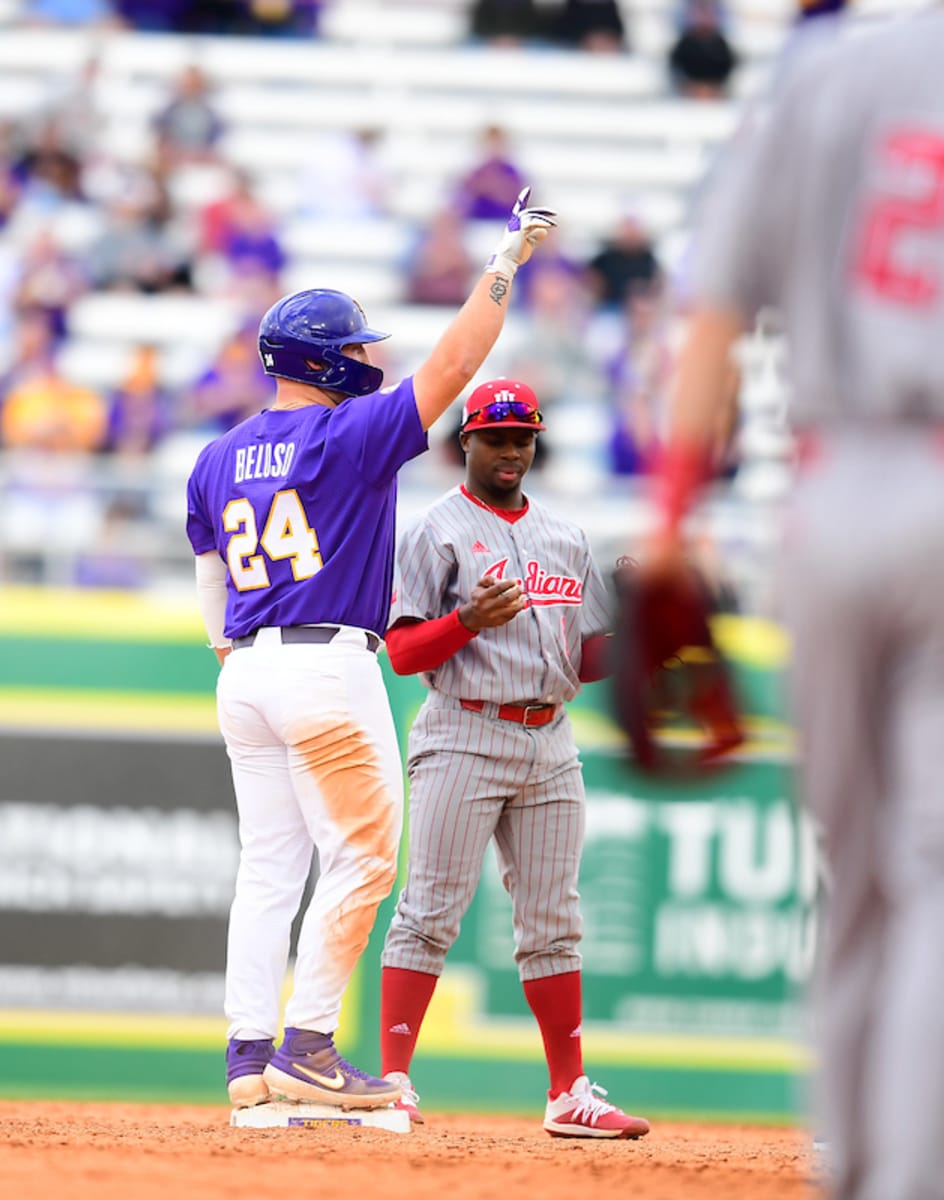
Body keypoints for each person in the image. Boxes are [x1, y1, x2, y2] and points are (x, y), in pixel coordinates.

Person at [644, 10, 944, 1198]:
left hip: (826, 499)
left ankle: (859, 1172)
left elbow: (714, 316)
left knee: (859, 873)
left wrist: (669, 529)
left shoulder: (828, 70)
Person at [185, 189, 557, 1111]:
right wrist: (504, 266)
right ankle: (309, 1046)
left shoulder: (218, 453)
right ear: (321, 359)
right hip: (324, 663)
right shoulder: (349, 433)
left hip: (250, 669)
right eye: (354, 349)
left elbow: (208, 572)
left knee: (269, 866)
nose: (366, 359)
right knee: (362, 861)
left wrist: (227, 647)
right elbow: (459, 361)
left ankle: (246, 1058)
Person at [376, 376, 650, 1137]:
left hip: (550, 738)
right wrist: (464, 621)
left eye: (522, 436)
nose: (510, 449)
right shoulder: (434, 530)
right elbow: (400, 652)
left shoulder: (567, 536)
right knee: (429, 911)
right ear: (465, 441)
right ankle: (393, 1082)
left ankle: (568, 1093)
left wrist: (634, 638)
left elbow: (582, 659)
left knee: (555, 919)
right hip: (464, 728)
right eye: (495, 436)